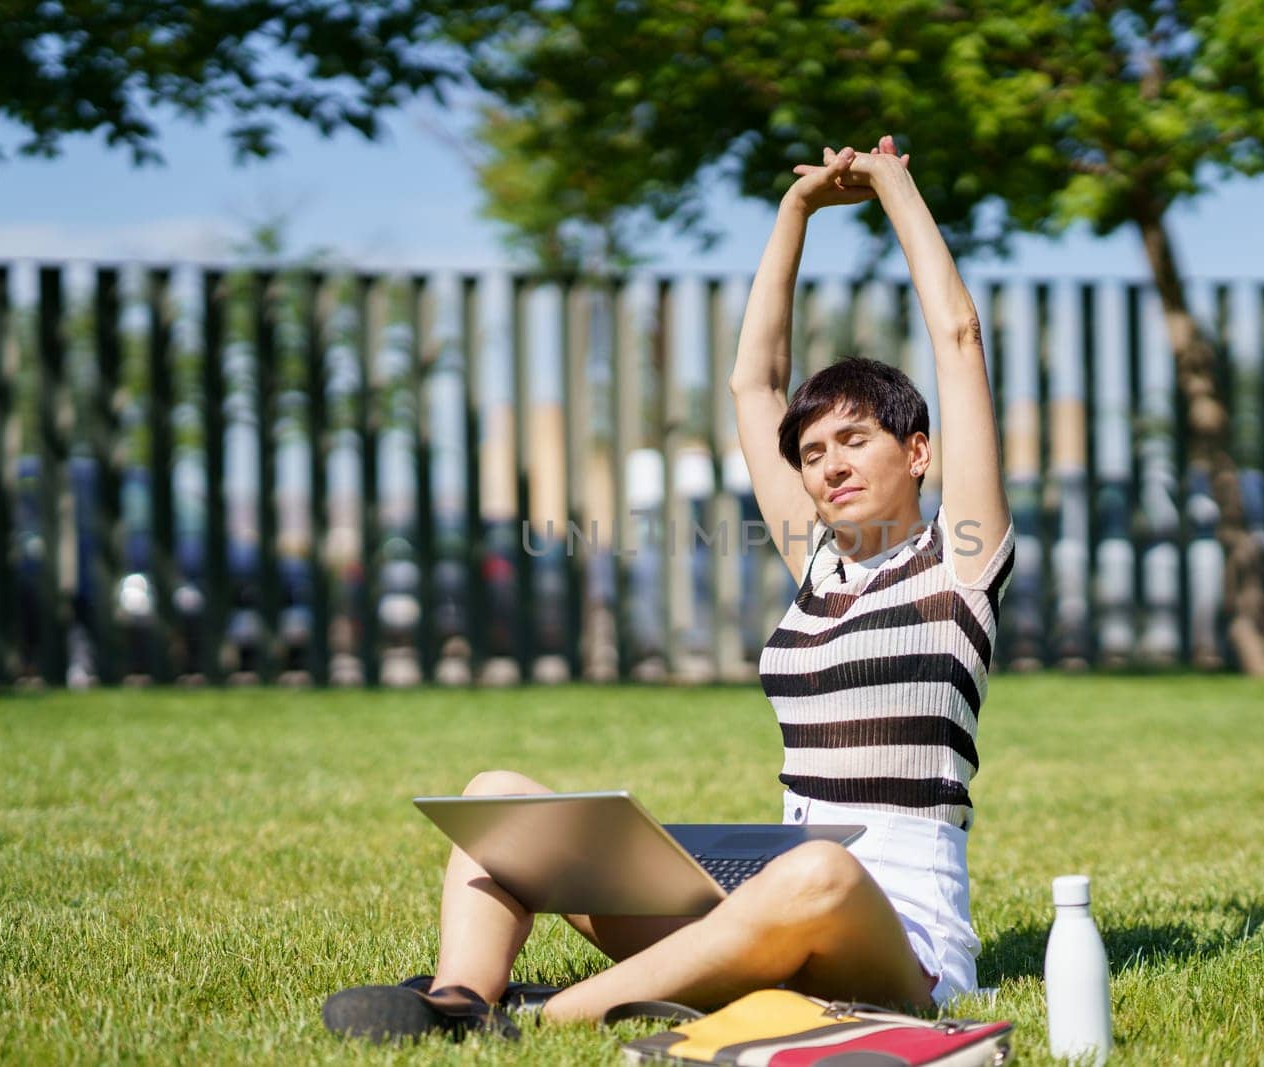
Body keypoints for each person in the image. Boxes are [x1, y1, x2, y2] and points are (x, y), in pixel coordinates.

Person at [322, 135, 1015, 1044]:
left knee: (817, 875)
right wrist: (793, 214)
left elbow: (959, 340)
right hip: (765, 907)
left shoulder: (957, 564)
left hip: (895, 940)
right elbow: (751, 381)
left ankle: (541, 1015)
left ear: (916, 452)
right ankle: (458, 994)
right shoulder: (817, 567)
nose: (829, 465)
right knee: (501, 795)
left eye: (855, 440)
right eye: (812, 453)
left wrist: (894, 188)